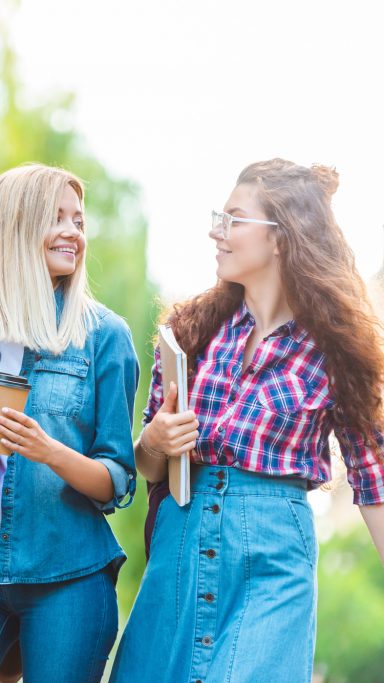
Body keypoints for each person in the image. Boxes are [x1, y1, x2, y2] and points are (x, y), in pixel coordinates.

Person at [111, 159, 384, 683]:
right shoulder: (191, 331)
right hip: (180, 551)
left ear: (280, 237)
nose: (217, 231)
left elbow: (373, 482)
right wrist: (154, 440)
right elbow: (146, 467)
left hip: (272, 563)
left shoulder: (334, 349)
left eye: (233, 218)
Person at [0, 163, 139, 683]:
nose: (72, 232)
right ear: (12, 227)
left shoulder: (104, 335)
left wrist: (49, 451)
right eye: (54, 217)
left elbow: (116, 482)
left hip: (69, 580)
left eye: (78, 221)